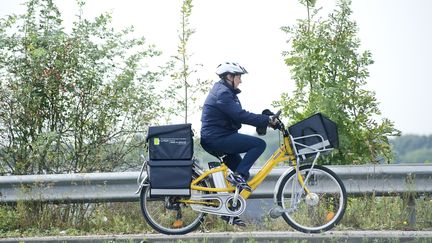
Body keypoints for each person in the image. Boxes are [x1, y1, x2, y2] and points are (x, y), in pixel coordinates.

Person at [200, 61, 277, 226]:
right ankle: (237, 177)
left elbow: (239, 115)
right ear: (230, 76)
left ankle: (230, 213)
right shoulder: (222, 93)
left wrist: (264, 121)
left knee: (243, 174)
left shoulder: (225, 92)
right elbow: (240, 115)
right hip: (217, 138)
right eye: (239, 77)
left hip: (218, 137)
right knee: (258, 145)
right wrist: (265, 120)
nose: (240, 81)